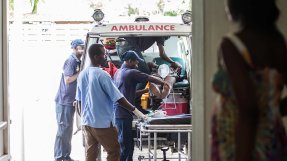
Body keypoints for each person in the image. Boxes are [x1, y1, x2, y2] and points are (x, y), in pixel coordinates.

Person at [211, 0, 287, 161]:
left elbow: (248, 111)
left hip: (240, 146)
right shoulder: (279, 44)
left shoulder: (231, 45)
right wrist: (270, 111)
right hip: (274, 143)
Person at [75, 44, 146, 161]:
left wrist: (83, 118)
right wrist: (138, 112)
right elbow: (118, 98)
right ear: (96, 56)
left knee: (90, 154)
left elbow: (78, 101)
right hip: (102, 124)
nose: (106, 57)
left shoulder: (82, 74)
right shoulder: (102, 75)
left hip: (87, 124)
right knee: (114, 151)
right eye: (104, 54)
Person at [113, 50, 170, 161]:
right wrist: (164, 83)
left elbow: (126, 94)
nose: (137, 65)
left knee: (124, 144)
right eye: (136, 62)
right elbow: (149, 78)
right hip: (124, 113)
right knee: (127, 146)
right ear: (129, 61)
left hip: (118, 113)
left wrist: (145, 90)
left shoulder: (118, 72)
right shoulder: (131, 72)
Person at [117, 36, 182, 111]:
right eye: (168, 37)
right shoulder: (161, 33)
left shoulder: (120, 72)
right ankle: (135, 104)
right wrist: (172, 63)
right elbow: (162, 54)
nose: (167, 39)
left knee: (137, 76)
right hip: (129, 45)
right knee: (143, 74)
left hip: (121, 45)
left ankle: (132, 102)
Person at [54, 39, 84, 161]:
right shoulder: (71, 61)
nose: (82, 49)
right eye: (81, 47)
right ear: (75, 48)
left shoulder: (78, 61)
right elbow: (68, 80)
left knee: (68, 130)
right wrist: (81, 73)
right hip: (64, 101)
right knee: (63, 131)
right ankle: (59, 157)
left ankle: (66, 156)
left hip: (70, 100)